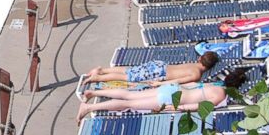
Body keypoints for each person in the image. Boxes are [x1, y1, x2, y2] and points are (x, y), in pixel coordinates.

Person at [76, 67, 249, 123]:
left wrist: (162, 83)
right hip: (172, 99)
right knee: (130, 104)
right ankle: (90, 107)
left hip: (172, 89)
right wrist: (178, 108)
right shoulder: (220, 95)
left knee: (130, 95)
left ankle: (94, 92)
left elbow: (189, 84)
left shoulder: (213, 84)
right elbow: (198, 106)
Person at [82, 52, 220, 85]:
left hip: (160, 65)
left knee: (131, 70)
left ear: (200, 59)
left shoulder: (193, 64)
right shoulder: (196, 74)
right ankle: (98, 77)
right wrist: (159, 83)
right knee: (128, 77)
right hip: (159, 72)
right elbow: (176, 81)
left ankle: (102, 70)